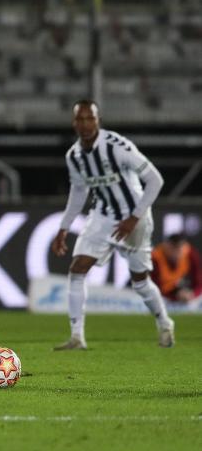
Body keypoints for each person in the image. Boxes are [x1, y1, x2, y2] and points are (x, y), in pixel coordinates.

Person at [51, 100, 174, 350]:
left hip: (135, 217)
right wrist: (64, 227)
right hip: (102, 216)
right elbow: (78, 192)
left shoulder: (117, 147)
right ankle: (77, 337)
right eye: (80, 119)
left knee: (139, 281)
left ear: (98, 121)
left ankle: (164, 322)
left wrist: (134, 218)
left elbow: (155, 180)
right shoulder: (74, 156)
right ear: (74, 123)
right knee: (77, 269)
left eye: (90, 119)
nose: (85, 124)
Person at [151, 234, 202, 303]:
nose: (176, 253)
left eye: (179, 249)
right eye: (173, 248)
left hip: (182, 293)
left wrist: (192, 294)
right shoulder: (155, 258)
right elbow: (153, 287)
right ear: (166, 246)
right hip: (162, 294)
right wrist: (175, 296)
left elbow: (199, 282)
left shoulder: (190, 254)